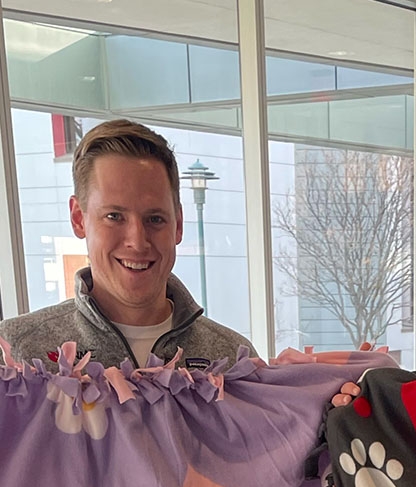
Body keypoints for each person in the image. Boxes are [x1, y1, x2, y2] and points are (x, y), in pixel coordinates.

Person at [0, 119, 255, 369]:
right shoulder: (14, 352)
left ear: (178, 224)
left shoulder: (234, 360)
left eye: (155, 219)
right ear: (79, 218)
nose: (137, 241)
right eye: (114, 217)